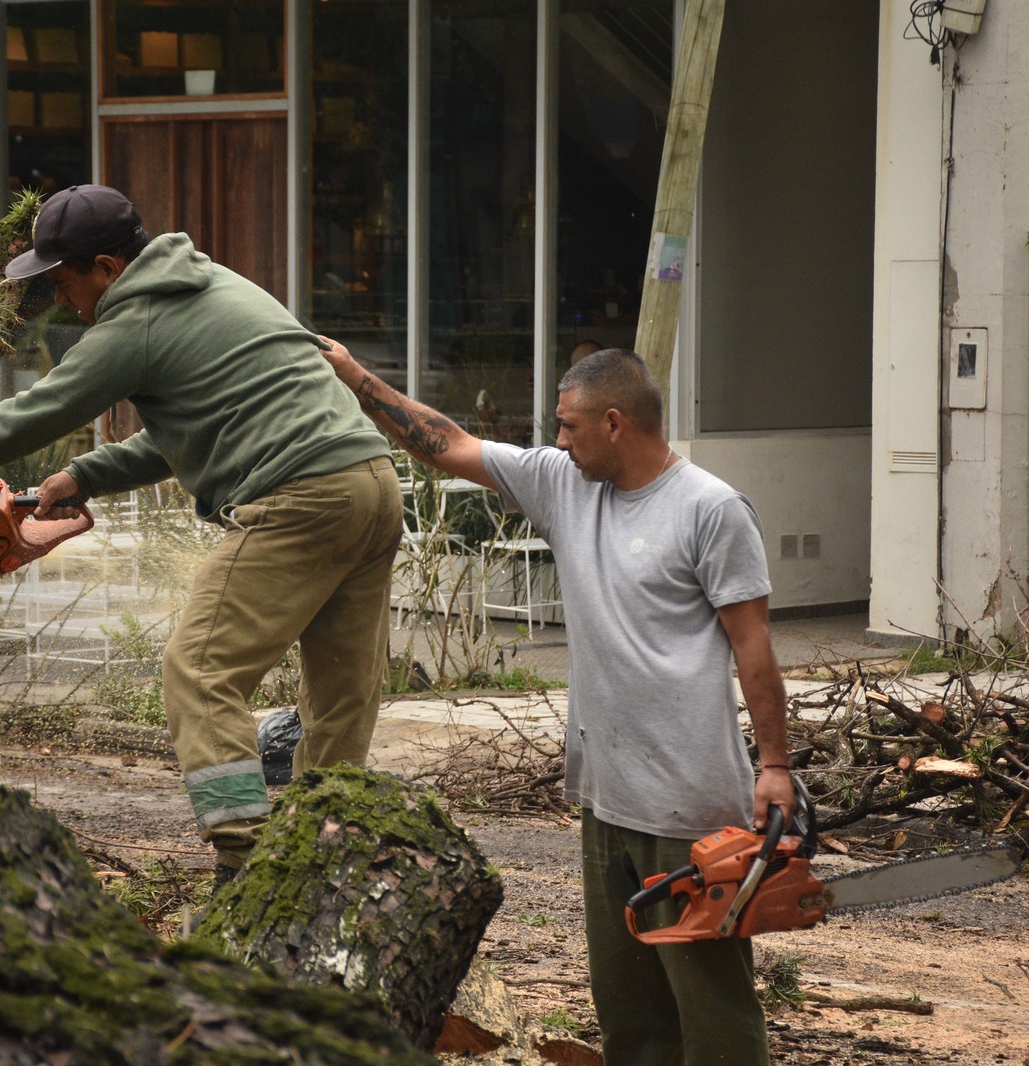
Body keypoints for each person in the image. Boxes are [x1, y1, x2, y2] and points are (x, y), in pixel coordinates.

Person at [0, 185, 403, 881]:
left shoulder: (135, 320)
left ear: (109, 269)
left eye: (64, 282)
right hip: (369, 484)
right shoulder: (216, 284)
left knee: (199, 670)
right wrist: (84, 476)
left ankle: (246, 854)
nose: (63, 301)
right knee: (339, 694)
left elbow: (39, 411)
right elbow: (198, 427)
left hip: (299, 497)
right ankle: (330, 854)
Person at [317, 338, 793, 1065]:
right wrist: (355, 378)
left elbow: (752, 646)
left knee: (711, 1009)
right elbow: (447, 443)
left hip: (687, 805)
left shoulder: (710, 509)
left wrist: (775, 768)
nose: (557, 440)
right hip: (606, 799)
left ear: (613, 423)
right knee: (628, 1011)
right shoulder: (564, 484)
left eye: (568, 426)